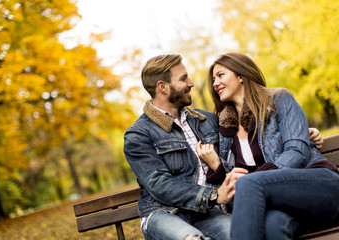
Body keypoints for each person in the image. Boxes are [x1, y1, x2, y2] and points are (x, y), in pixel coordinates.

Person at [123, 54, 324, 240]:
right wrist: (214, 195)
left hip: (209, 213)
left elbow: (243, 141)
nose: (191, 83)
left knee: (240, 235)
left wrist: (302, 132)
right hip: (164, 213)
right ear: (163, 87)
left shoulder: (207, 120)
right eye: (184, 79)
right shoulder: (139, 135)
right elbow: (160, 184)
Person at [196, 52, 339, 240]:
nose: (215, 83)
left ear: (240, 75)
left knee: (249, 182)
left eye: (221, 75)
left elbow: (296, 151)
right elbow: (237, 185)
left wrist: (258, 178)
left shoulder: (280, 99)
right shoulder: (226, 130)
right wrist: (217, 166)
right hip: (283, 206)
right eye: (213, 79)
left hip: (320, 187)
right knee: (272, 227)